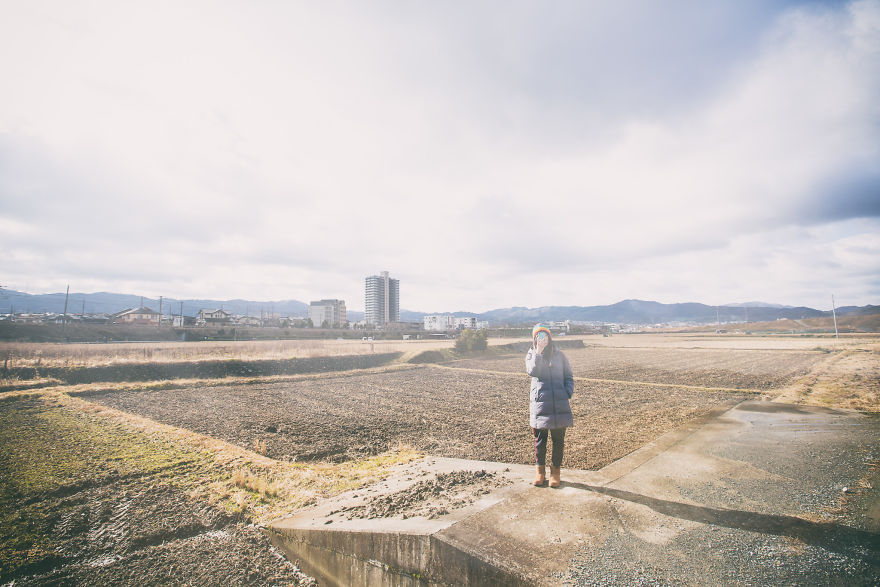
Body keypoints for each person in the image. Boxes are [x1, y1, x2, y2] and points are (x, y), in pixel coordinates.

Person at [525, 323, 574, 488]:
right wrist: (538, 352)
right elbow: (533, 371)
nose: (542, 339)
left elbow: (568, 375)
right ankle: (540, 472)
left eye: (544, 336)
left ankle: (555, 473)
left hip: (559, 404)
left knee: (558, 440)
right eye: (538, 336)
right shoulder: (532, 354)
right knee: (540, 440)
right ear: (534, 339)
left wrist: (567, 391)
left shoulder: (560, 356)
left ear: (549, 337)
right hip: (541, 405)